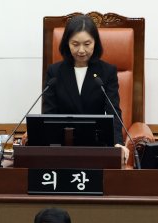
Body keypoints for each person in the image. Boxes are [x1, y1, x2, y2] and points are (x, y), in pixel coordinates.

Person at [41, 14, 130, 163]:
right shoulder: (55, 73)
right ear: (67, 43)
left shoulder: (107, 72)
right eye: (75, 44)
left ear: (95, 43)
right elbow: (49, 113)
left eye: (87, 44)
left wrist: (118, 143)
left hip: (97, 145)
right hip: (63, 147)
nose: (81, 50)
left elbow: (113, 110)